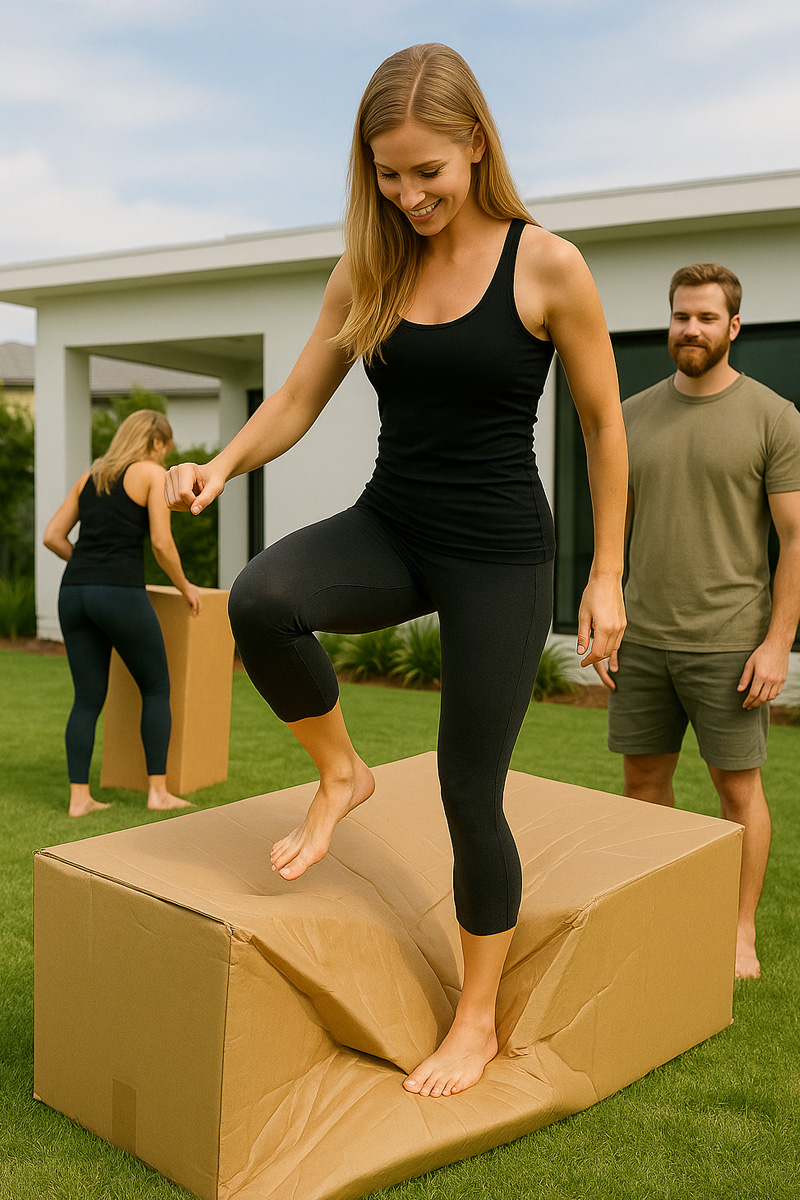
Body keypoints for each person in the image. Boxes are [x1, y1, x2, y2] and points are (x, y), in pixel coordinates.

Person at [166, 44, 627, 1097]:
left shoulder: (545, 264)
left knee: (470, 790)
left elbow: (602, 427)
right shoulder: (369, 265)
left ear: (475, 145)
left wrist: (606, 576)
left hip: (499, 554)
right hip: (392, 522)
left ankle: (474, 1018)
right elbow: (293, 400)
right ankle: (341, 771)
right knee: (263, 599)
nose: (408, 194)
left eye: (427, 170)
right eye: (386, 172)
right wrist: (222, 464)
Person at [594, 262, 800, 980]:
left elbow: (796, 538)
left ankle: (739, 931)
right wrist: (607, 608)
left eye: (708, 317)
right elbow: (610, 528)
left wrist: (778, 644)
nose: (692, 329)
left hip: (730, 644)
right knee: (643, 782)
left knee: (736, 790)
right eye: (682, 316)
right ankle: (657, 911)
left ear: (734, 327)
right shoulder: (630, 414)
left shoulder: (774, 417)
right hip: (642, 638)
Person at [43, 409, 202, 818]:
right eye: (165, 448)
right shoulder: (150, 473)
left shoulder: (90, 477)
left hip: (74, 592)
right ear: (154, 443)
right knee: (155, 687)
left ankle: (80, 799)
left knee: (86, 698)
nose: (165, 458)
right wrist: (186, 587)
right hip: (119, 592)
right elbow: (162, 544)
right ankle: (158, 793)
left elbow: (52, 537)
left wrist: (86, 564)